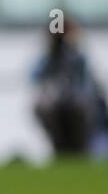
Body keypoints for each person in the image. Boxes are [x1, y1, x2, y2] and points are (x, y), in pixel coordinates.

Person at [32, 20, 106, 157]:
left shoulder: (78, 58)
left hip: (80, 111)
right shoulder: (48, 59)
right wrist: (51, 53)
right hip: (57, 109)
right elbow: (35, 77)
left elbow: (87, 86)